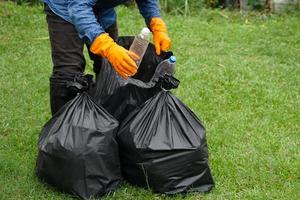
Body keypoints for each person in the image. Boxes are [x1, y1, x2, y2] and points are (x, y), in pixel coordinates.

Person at [43, 0, 172, 115]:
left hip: (102, 9)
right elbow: (78, 6)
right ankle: (61, 136)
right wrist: (106, 45)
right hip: (66, 7)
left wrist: (156, 22)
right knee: (68, 73)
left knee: (110, 69)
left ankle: (104, 122)